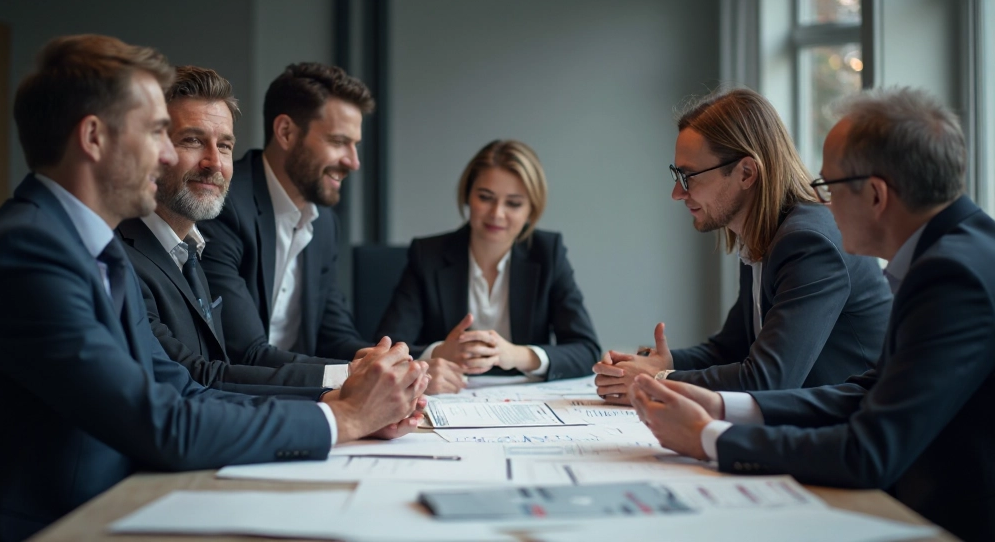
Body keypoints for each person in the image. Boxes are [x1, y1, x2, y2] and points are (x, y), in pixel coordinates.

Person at [0, 35, 428, 542]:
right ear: (94, 138)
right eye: (157, 132)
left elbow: (185, 389)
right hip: (61, 526)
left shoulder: (94, 247)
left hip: (129, 501)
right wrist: (345, 418)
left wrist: (341, 404)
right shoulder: (28, 251)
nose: (168, 155)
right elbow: (161, 423)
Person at [629, 87, 995, 542]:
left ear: (876, 195)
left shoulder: (952, 275)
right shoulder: (952, 254)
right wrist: (721, 407)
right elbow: (866, 390)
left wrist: (709, 437)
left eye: (829, 186)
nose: (823, 203)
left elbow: (868, 452)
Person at [594, 88, 891, 403]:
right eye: (677, 175)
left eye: (689, 176)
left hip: (856, 424)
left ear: (746, 173)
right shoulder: (764, 236)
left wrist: (657, 381)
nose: (677, 193)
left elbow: (768, 380)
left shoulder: (809, 243)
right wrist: (659, 364)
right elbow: (731, 349)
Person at [197, 62, 465, 395]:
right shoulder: (223, 204)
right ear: (286, 132)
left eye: (355, 145)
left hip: (300, 394)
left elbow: (336, 337)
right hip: (236, 398)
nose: (353, 161)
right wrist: (361, 374)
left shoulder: (324, 223)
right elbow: (246, 353)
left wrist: (412, 365)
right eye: (339, 142)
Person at [117, 65, 351, 392]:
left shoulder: (189, 253)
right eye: (192, 140)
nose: (214, 162)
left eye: (225, 146)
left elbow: (216, 375)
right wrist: (340, 394)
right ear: (151, 150)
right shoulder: (117, 257)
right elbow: (195, 378)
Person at [376, 140, 602, 391]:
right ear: (467, 196)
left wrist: (517, 355)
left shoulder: (548, 253)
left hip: (524, 397)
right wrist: (437, 354)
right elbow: (387, 347)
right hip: (448, 395)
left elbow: (587, 350)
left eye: (513, 203)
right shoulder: (427, 255)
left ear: (531, 209)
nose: (497, 213)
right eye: (485, 197)